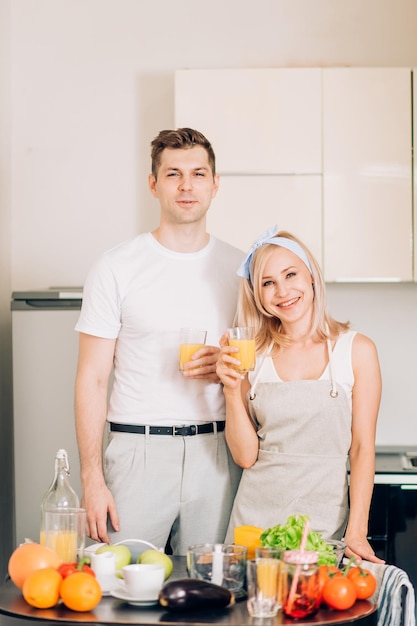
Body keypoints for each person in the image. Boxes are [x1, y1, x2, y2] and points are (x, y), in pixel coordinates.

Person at [74, 128, 243, 555]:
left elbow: (264, 362)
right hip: (137, 452)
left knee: (215, 598)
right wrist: (92, 478)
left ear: (215, 184)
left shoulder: (242, 269)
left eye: (198, 173)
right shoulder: (116, 267)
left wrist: (227, 370)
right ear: (154, 184)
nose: (187, 185)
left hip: (218, 454)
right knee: (115, 594)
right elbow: (92, 379)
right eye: (173, 174)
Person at [216, 225, 384, 564]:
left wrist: (357, 529)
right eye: (268, 282)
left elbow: (363, 448)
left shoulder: (356, 350)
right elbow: (246, 457)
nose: (282, 291)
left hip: (320, 524)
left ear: (311, 277)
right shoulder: (253, 356)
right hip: (253, 521)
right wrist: (231, 390)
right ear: (258, 296)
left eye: (290, 274)